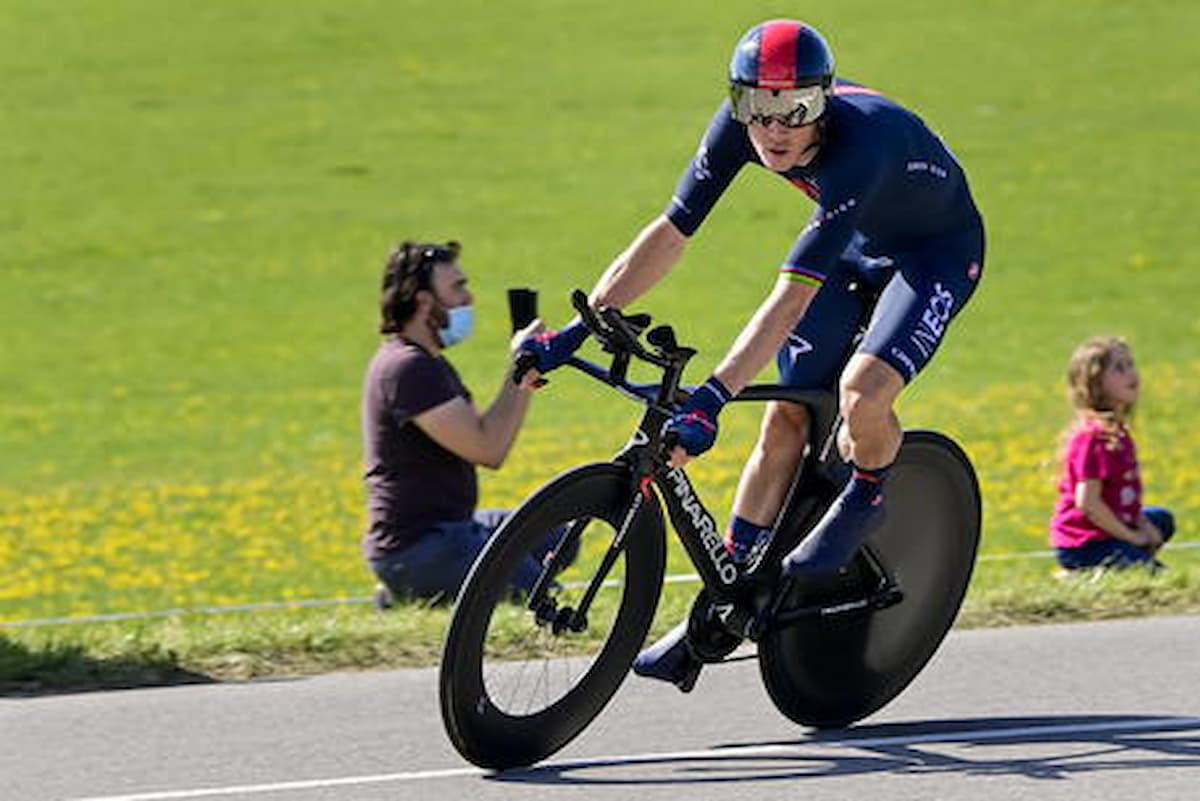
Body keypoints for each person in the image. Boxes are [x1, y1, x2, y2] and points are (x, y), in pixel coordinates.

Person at [520, 19, 986, 688]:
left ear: (822, 102)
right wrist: (578, 329)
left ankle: (871, 489)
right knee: (786, 417)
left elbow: (789, 300)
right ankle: (726, 596)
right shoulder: (743, 125)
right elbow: (670, 232)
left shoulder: (861, 147)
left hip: (934, 253)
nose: (773, 128)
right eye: (757, 108)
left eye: (793, 110)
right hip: (859, 243)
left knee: (862, 391)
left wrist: (710, 400)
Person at [361, 239, 565, 606]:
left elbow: (489, 437)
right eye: (457, 288)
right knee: (542, 597)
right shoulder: (408, 368)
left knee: (558, 535)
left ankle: (416, 595)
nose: (469, 299)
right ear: (424, 301)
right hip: (420, 545)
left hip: (452, 529)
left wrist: (525, 370)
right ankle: (408, 590)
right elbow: (489, 449)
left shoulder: (427, 362)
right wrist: (519, 367)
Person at [1050, 336, 1175, 571]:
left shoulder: (1117, 432)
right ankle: (1085, 571)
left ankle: (1127, 558)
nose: (1131, 373)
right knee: (1155, 575)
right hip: (1086, 543)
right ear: (1096, 383)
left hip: (1112, 527)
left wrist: (1142, 523)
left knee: (1162, 520)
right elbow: (1088, 504)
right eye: (1119, 368)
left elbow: (1119, 496)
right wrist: (1132, 537)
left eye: (1130, 364)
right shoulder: (1092, 438)